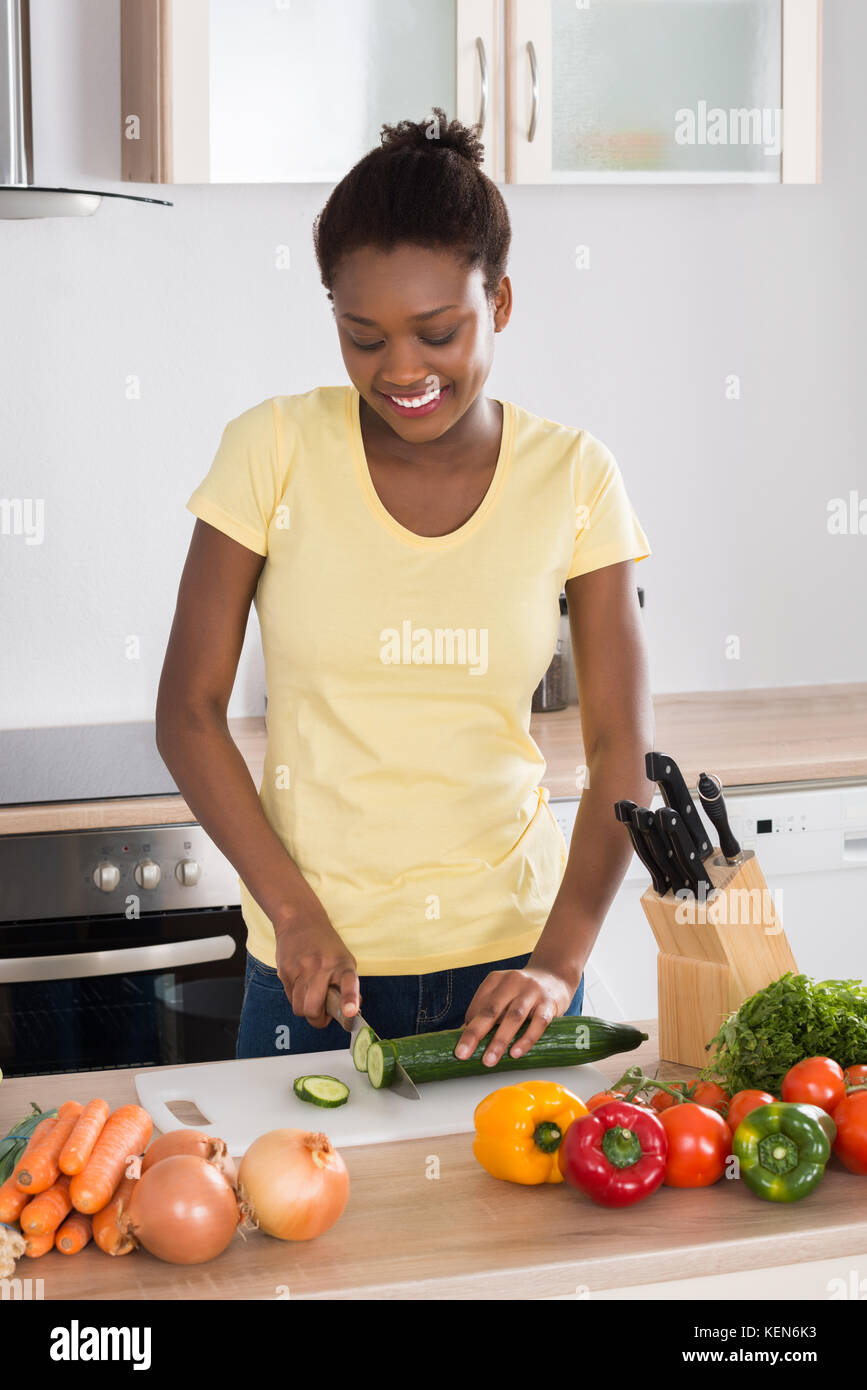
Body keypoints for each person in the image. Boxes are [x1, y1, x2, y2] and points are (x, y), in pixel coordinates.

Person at [156, 109, 655, 1069]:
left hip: (515, 971)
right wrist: (292, 914)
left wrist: (559, 962)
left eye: (437, 333)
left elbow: (621, 747)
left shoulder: (575, 475)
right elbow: (187, 711)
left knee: (522, 1223)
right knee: (305, 1216)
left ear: (499, 302)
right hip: (314, 968)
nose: (401, 371)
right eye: (363, 337)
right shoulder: (271, 450)